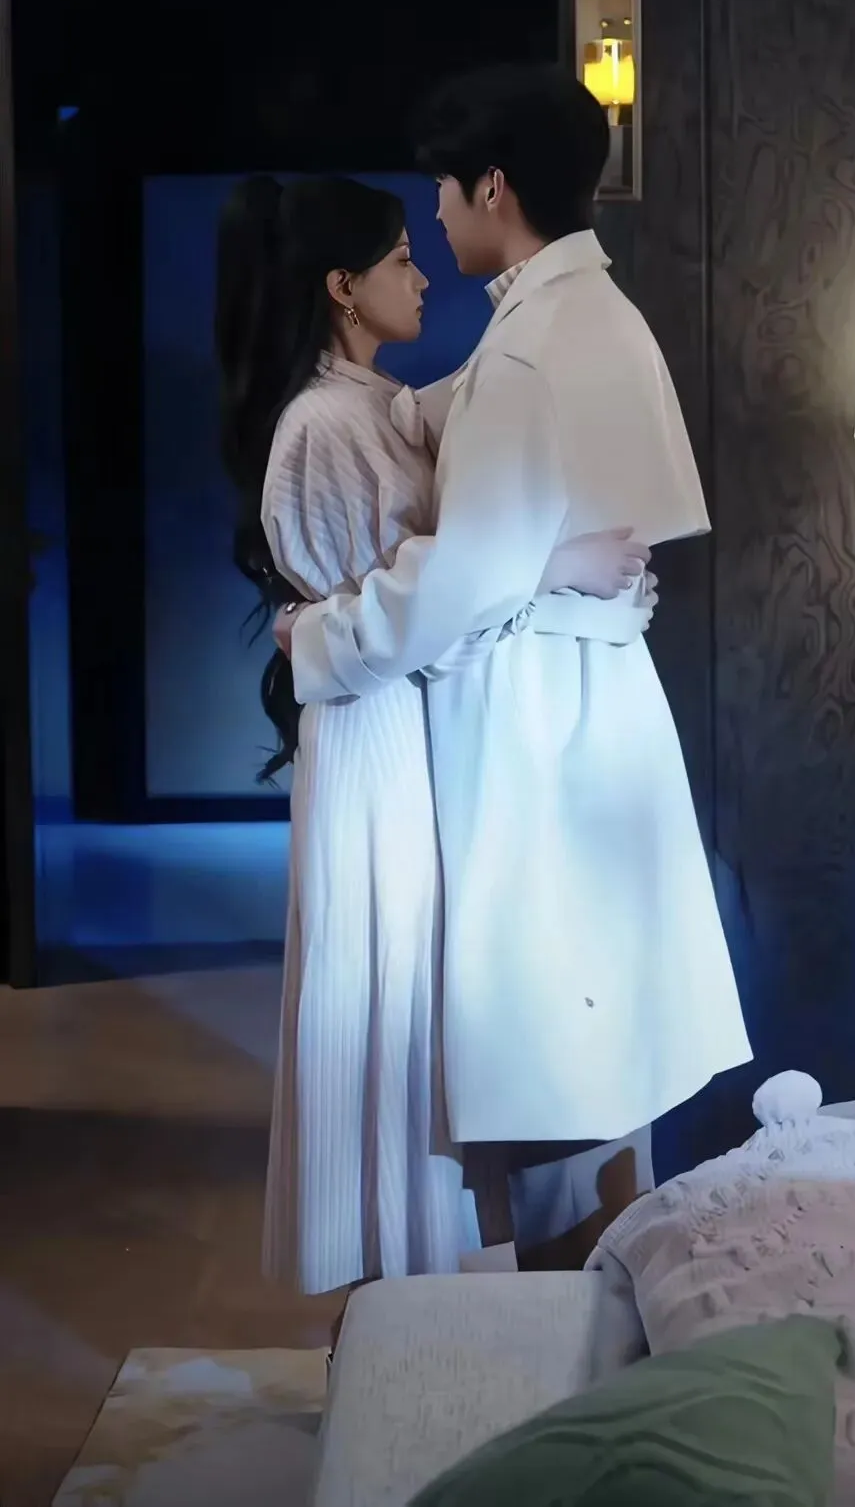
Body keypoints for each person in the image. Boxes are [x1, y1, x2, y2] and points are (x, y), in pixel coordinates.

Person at [276, 65, 752, 1254]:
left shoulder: (534, 342)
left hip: (536, 725)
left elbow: (463, 577)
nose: (435, 221)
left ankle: (557, 1331)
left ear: (492, 187)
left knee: (551, 1078)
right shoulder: (583, 315)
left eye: (442, 191)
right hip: (591, 706)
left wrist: (319, 640)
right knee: (591, 1068)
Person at [215, 172, 653, 1295]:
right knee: (390, 1007)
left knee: (426, 1015)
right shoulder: (322, 423)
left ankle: (435, 1310)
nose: (421, 277)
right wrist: (554, 570)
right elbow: (421, 611)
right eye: (400, 259)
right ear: (342, 287)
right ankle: (393, 1318)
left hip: (406, 729)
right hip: (377, 745)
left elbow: (437, 566)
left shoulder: (374, 405)